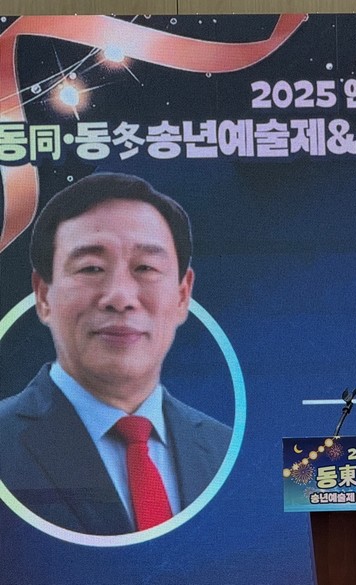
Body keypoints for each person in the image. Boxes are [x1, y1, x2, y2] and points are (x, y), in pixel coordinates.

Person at [0, 173, 232, 535]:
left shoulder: (226, 447)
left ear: (183, 294)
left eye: (145, 268)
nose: (120, 297)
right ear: (43, 295)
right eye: (91, 268)